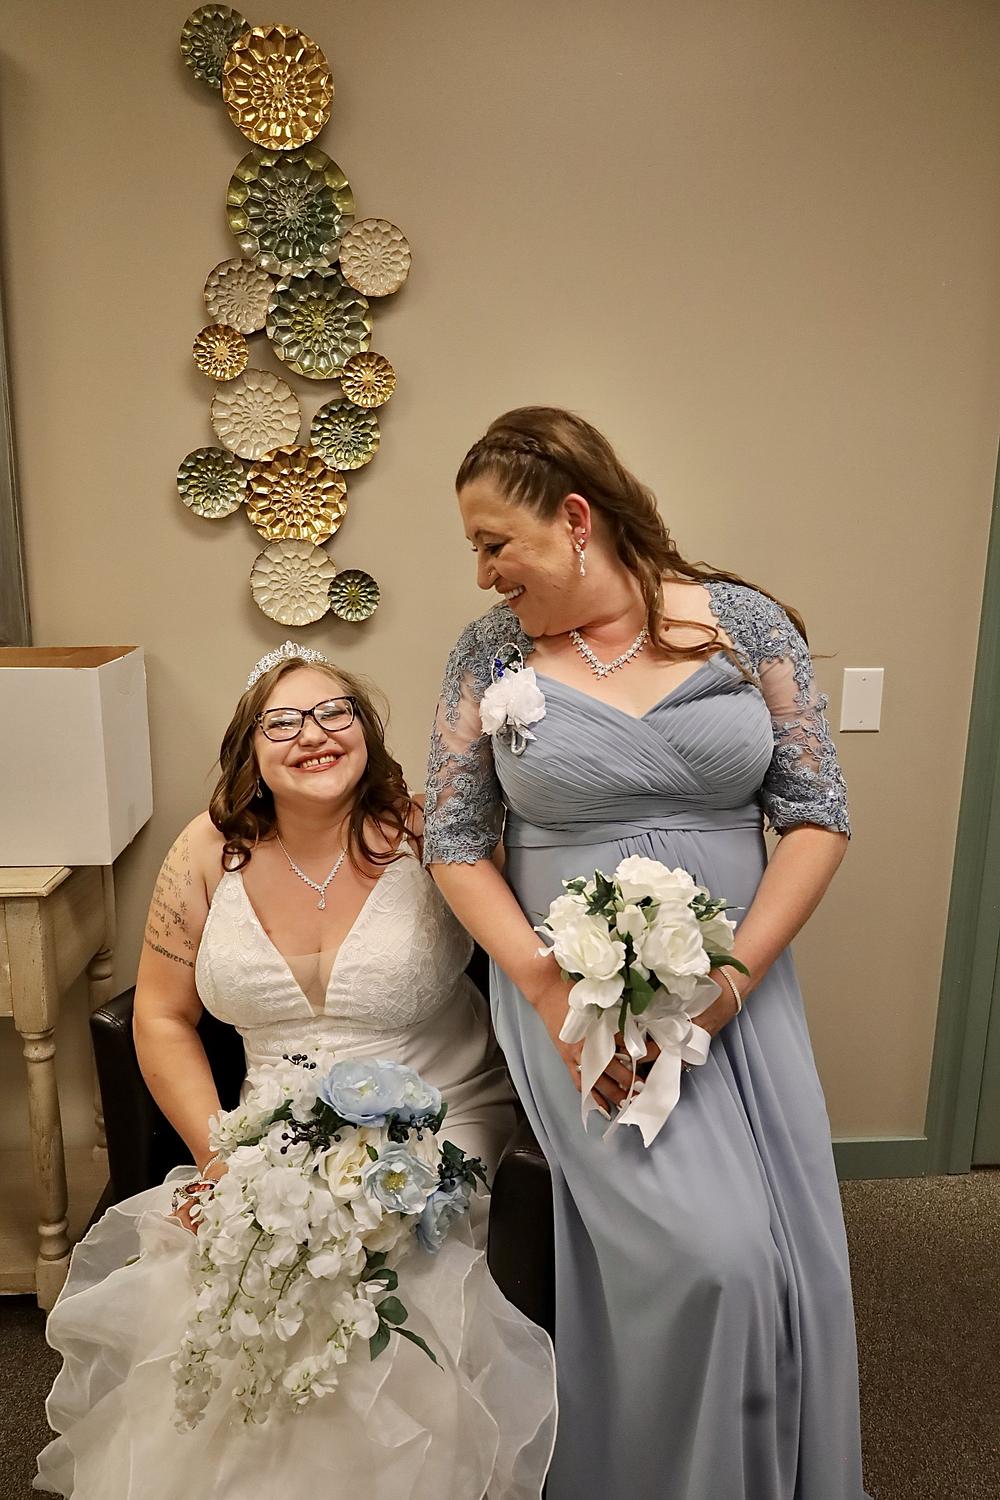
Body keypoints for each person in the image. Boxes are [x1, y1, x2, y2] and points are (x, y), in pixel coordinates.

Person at [424, 407, 872, 1500]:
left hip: (738, 986)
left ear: (575, 519)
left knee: (783, 1262)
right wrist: (546, 993)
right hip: (575, 1001)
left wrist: (729, 984)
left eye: (495, 543)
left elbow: (816, 815)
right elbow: (454, 842)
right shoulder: (489, 654)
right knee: (715, 1263)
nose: (482, 573)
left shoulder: (744, 625)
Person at [36, 641, 556, 1500]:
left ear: (366, 732)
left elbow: (529, 953)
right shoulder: (205, 851)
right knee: (231, 1282)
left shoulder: (429, 831)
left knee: (372, 1281)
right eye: (281, 723)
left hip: (440, 1119)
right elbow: (161, 1017)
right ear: (250, 751)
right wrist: (219, 1160)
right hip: (265, 1138)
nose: (312, 735)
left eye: (333, 713)